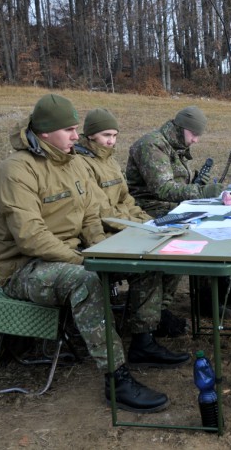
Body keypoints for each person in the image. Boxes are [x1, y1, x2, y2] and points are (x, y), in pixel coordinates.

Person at [0, 94, 189, 414]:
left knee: (147, 262)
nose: (74, 135)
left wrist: (105, 250)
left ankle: (143, 340)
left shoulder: (72, 164)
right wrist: (87, 260)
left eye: (75, 128)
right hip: (25, 268)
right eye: (68, 129)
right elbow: (30, 238)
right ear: (44, 132)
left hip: (74, 254)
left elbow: (90, 217)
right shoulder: (15, 171)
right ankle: (117, 379)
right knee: (86, 280)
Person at [75, 108, 186, 338]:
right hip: (107, 234)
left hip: (126, 227)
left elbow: (128, 200)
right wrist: (138, 227)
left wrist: (149, 223)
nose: (111, 141)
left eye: (115, 136)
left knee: (174, 251)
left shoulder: (110, 161)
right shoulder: (82, 164)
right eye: (106, 135)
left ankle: (159, 313)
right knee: (149, 266)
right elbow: (102, 211)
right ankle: (143, 336)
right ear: (90, 135)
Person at [125, 106, 223, 321]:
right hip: (147, 209)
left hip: (169, 207)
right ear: (181, 129)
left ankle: (201, 296)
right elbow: (163, 189)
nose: (196, 140)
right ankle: (161, 310)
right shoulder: (152, 145)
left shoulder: (173, 146)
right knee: (184, 241)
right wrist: (200, 192)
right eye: (194, 135)